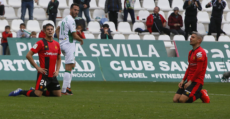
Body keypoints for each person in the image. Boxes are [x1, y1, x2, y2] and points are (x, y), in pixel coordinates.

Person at [9, 23, 62, 97]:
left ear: (53, 31)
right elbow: (28, 55)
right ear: (44, 31)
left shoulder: (56, 44)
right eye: (48, 29)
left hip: (52, 75)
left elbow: (59, 58)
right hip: (44, 74)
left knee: (58, 94)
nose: (50, 31)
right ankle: (21, 91)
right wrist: (37, 68)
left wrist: (57, 70)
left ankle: (35, 90)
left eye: (51, 29)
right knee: (37, 94)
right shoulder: (40, 43)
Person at [173, 32, 210, 103]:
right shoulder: (190, 52)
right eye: (191, 37)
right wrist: (183, 80)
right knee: (175, 100)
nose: (190, 38)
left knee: (182, 100)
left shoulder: (200, 52)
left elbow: (199, 69)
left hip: (196, 81)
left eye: (193, 37)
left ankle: (201, 93)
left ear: (199, 40)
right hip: (189, 80)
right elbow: (189, 67)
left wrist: (190, 81)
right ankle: (197, 92)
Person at [56, 3, 84, 95]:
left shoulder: (64, 19)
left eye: (78, 10)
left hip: (63, 44)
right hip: (69, 45)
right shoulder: (71, 20)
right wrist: (81, 40)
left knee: (72, 64)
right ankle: (64, 90)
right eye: (75, 10)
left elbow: (57, 29)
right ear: (71, 9)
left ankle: (68, 87)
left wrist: (60, 39)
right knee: (68, 67)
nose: (76, 12)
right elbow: (74, 35)